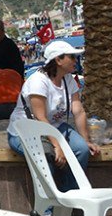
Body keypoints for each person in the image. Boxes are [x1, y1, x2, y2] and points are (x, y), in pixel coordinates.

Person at [7, 40, 98, 192]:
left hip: (55, 127)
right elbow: (40, 118)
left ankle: (69, 194)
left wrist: (86, 140)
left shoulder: (68, 79)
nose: (76, 61)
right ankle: (47, 208)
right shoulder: (38, 81)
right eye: (72, 57)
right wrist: (57, 146)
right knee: (47, 155)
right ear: (58, 60)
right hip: (26, 131)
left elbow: (79, 111)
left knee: (81, 149)